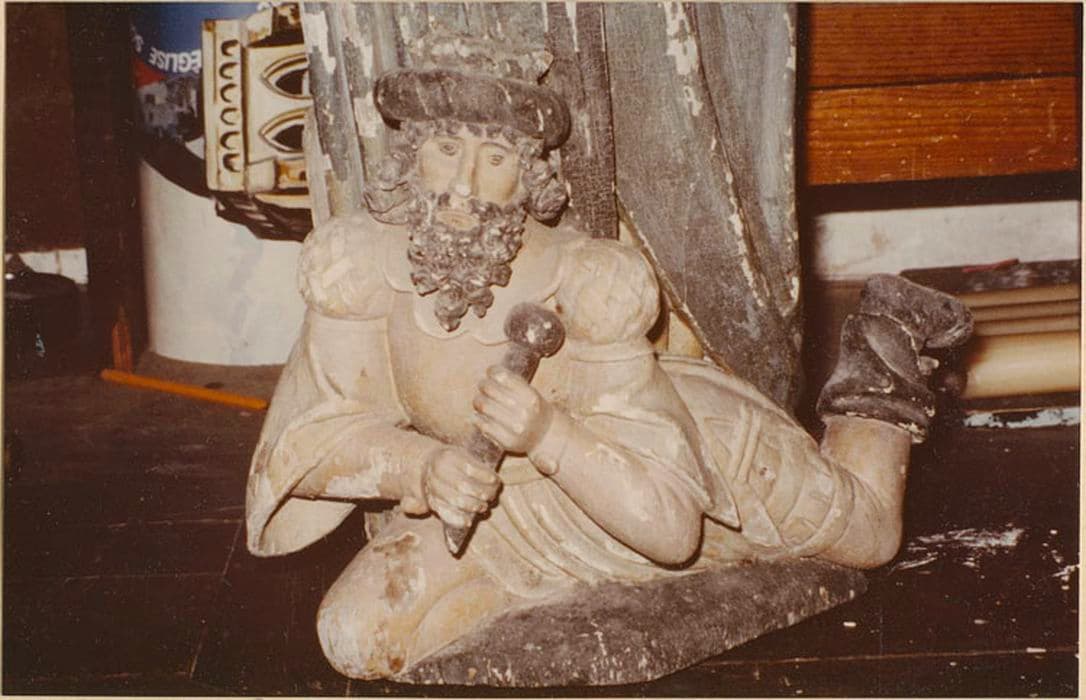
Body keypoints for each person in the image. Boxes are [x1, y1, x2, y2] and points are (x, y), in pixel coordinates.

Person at [245, 35, 972, 679]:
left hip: (653, 470)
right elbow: (315, 438)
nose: (463, 187)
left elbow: (669, 525)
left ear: (528, 176)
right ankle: (544, 607)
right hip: (494, 512)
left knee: (870, 533)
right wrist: (421, 467)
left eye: (493, 158)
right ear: (411, 156)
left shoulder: (587, 280)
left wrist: (546, 434)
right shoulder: (360, 265)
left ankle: (883, 353)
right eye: (445, 150)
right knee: (356, 638)